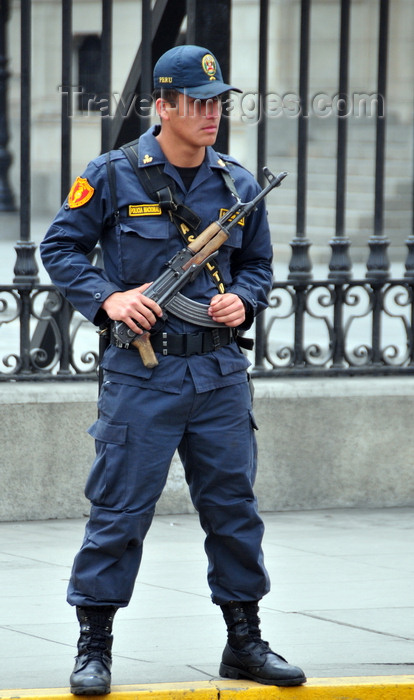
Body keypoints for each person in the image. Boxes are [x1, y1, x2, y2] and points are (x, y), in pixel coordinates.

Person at [40, 44, 306, 694]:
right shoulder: (113, 173)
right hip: (142, 377)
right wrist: (109, 298)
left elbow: (260, 267)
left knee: (233, 511)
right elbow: (60, 246)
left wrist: (241, 301)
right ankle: (94, 646)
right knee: (119, 513)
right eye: (198, 102)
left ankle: (244, 641)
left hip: (218, 376)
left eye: (219, 102)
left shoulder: (239, 184)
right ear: (163, 106)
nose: (212, 114)